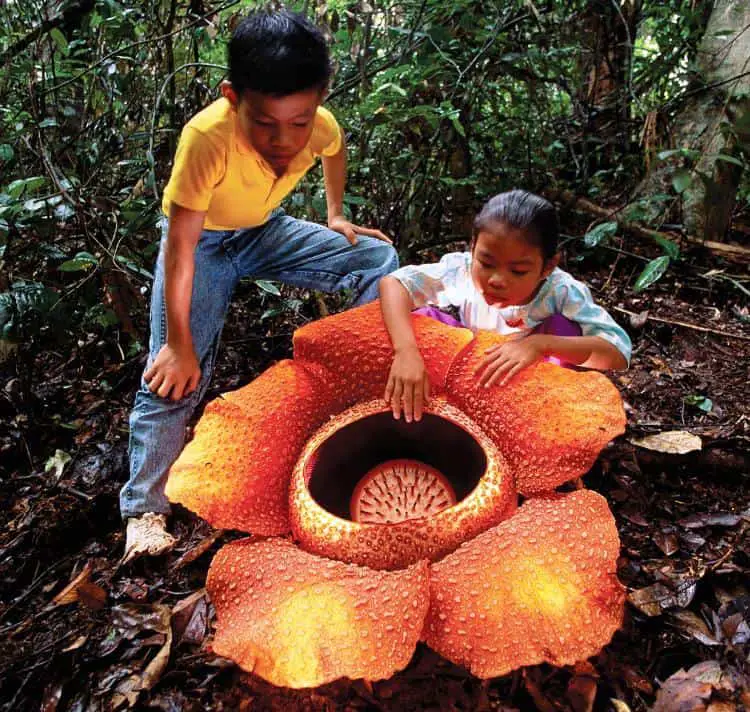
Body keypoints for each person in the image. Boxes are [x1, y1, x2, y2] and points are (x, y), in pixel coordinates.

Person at [121, 9, 398, 562]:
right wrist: (178, 345)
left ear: (319, 97)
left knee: (377, 257)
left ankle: (351, 380)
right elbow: (180, 250)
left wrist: (336, 213)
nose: (284, 139)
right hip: (202, 247)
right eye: (265, 123)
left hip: (262, 230)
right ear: (232, 96)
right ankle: (144, 509)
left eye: (299, 121)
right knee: (173, 376)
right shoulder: (206, 138)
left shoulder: (319, 125)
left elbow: (333, 149)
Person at [380, 189, 631, 422]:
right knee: (424, 319)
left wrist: (539, 345)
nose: (497, 280)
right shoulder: (461, 270)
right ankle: (425, 405)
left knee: (564, 329)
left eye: (518, 271)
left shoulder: (561, 291)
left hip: (535, 387)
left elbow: (617, 353)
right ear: (473, 247)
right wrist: (406, 351)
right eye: (486, 263)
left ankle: (543, 423)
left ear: (548, 267)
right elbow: (395, 283)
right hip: (472, 375)